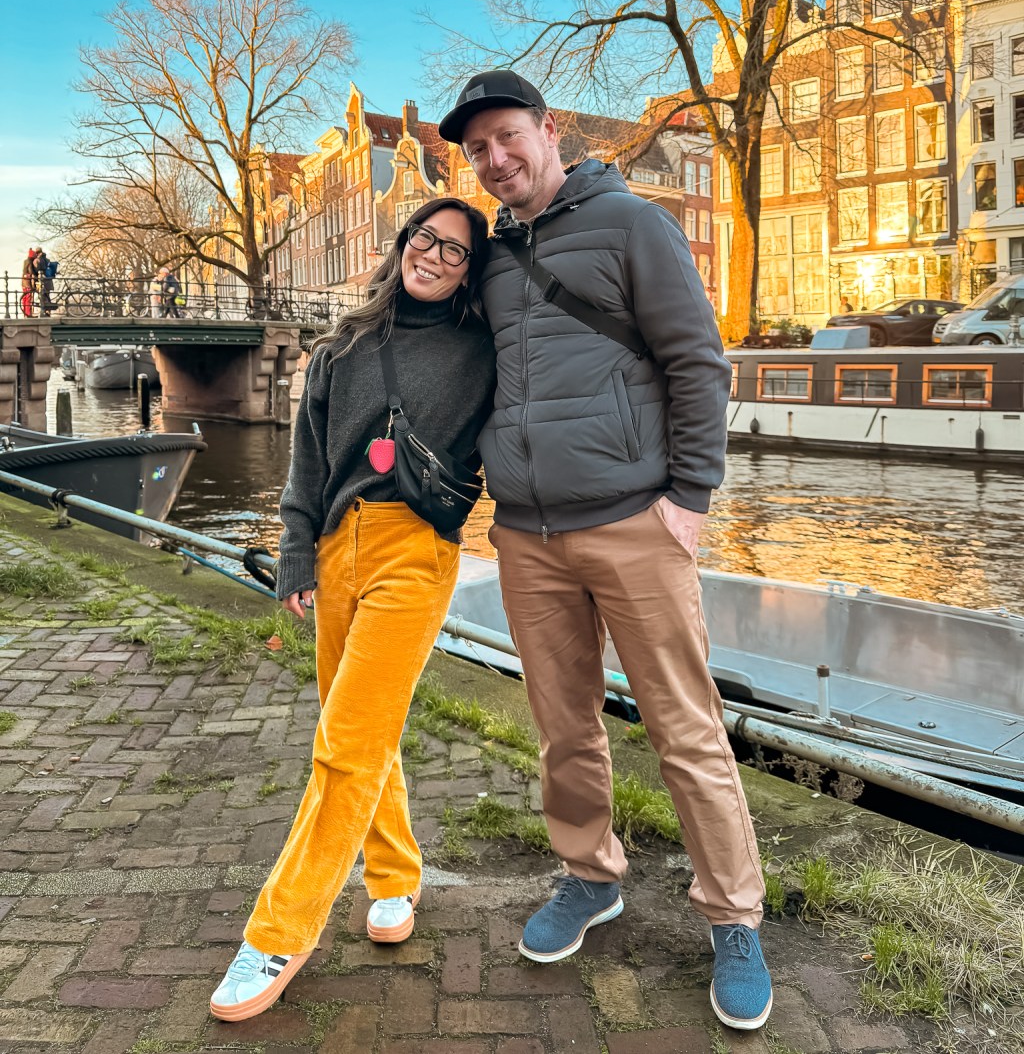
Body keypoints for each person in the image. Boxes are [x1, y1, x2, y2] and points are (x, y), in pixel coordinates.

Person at [438, 71, 772, 1033]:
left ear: (549, 131)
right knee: (563, 722)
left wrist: (690, 497)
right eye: (478, 152)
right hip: (527, 533)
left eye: (508, 138)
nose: (496, 161)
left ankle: (733, 913)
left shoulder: (633, 225)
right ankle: (590, 873)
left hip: (634, 520)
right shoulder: (493, 259)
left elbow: (697, 359)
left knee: (686, 725)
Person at [209, 197, 496, 1023]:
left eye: (457, 252)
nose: (436, 257)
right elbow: (305, 461)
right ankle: (397, 876)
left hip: (416, 551)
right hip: (338, 546)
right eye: (426, 239)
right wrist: (296, 554)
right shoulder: (342, 346)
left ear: (472, 272)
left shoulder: (482, 351)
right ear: (403, 243)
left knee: (343, 745)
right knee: (360, 729)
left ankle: (280, 929)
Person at [33, 247, 54, 316]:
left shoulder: (37, 260)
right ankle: (48, 311)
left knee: (42, 296)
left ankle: (44, 311)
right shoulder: (48, 260)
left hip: (42, 280)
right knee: (47, 295)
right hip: (49, 279)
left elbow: (37, 270)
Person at [20, 248, 37, 317]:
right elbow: (30, 271)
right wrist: (35, 275)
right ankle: (28, 314)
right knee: (28, 298)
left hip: (23, 281)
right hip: (28, 282)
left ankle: (25, 314)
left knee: (25, 298)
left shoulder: (25, 261)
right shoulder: (30, 262)